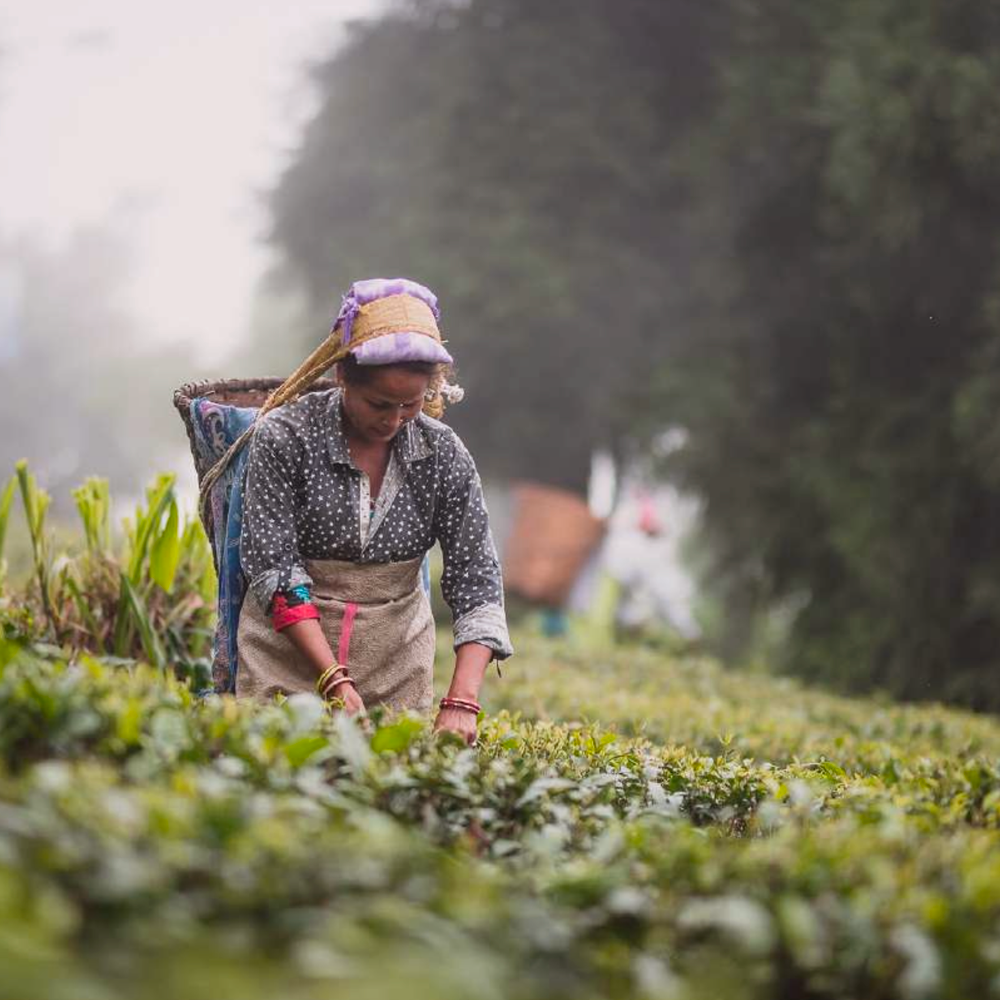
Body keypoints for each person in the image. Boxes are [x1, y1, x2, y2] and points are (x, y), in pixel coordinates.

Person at [235, 278, 512, 744]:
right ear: (343, 376)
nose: (394, 419)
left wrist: (462, 701)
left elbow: (477, 580)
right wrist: (333, 681)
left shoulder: (442, 453)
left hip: (396, 667)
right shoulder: (287, 436)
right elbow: (274, 570)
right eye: (379, 404)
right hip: (286, 658)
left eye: (411, 404)